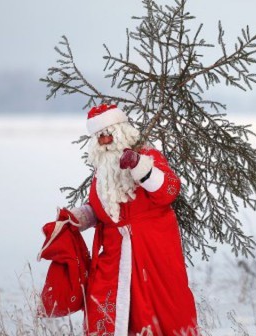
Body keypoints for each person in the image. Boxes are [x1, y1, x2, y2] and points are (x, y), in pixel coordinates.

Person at [67, 104, 198, 335]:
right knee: (106, 305)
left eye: (109, 134)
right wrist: (81, 217)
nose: (105, 141)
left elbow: (169, 190)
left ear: (122, 132)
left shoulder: (148, 157)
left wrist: (140, 166)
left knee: (162, 304)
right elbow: (102, 209)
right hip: (114, 253)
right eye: (99, 137)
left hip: (153, 248)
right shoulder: (102, 172)